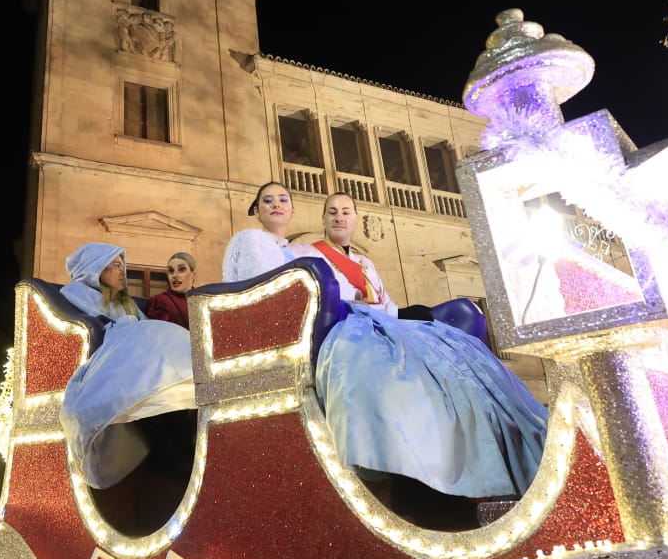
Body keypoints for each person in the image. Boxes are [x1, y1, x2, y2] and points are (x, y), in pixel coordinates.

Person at [221, 182, 549, 514]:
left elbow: (387, 303)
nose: (339, 217)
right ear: (322, 218)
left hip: (383, 322)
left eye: (346, 212)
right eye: (332, 212)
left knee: (456, 353)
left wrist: (408, 312)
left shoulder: (366, 264)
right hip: (350, 324)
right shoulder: (306, 251)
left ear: (355, 219)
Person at [57, 242, 196, 488]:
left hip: (135, 348)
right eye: (114, 266)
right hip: (115, 351)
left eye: (123, 266)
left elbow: (143, 325)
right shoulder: (78, 292)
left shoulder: (125, 302)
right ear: (95, 269)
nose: (123, 272)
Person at [144, 252, 195, 329]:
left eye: (181, 269)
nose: (175, 275)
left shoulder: (203, 301)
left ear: (193, 274)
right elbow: (157, 336)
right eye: (171, 271)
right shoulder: (159, 301)